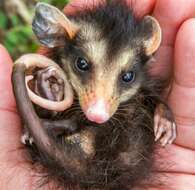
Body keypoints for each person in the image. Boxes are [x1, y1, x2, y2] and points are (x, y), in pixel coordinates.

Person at [1, 0, 195, 189]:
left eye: (126, 77)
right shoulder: (54, 77)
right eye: (83, 65)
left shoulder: (136, 101)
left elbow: (146, 98)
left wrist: (161, 110)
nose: (99, 110)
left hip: (106, 158)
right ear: (58, 35)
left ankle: (46, 129)